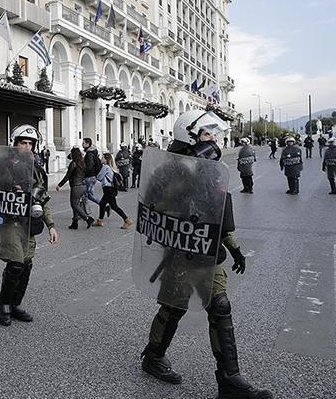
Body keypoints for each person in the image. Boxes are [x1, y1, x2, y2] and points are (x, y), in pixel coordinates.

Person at [140, 110, 272, 399]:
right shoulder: (168, 170)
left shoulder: (211, 172)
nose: (214, 141)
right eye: (206, 135)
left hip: (207, 252)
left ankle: (230, 379)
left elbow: (217, 218)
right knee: (174, 307)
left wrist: (234, 248)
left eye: (214, 135)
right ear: (189, 138)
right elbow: (153, 210)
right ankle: (153, 356)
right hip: (179, 253)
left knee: (220, 307)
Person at [0, 124, 58, 326]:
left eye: (31, 143)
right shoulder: (2, 166)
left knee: (27, 264)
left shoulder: (36, 170)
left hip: (30, 222)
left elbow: (42, 199)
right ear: (15, 144)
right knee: (16, 263)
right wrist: (11, 189)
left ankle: (14, 304)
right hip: (10, 221)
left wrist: (51, 225)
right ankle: (3, 305)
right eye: (23, 143)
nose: (27, 147)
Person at [56, 147, 93, 229]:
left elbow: (68, 176)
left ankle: (87, 219)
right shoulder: (82, 162)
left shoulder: (73, 163)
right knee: (75, 204)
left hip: (76, 186)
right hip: (83, 186)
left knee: (74, 204)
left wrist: (60, 185)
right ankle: (75, 222)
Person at [93, 153, 132, 229]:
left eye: (102, 158)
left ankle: (127, 220)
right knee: (102, 204)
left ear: (106, 159)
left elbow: (99, 177)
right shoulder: (111, 168)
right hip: (110, 189)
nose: (101, 159)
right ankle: (100, 220)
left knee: (114, 206)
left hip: (108, 189)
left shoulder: (106, 167)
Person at [82, 138, 102, 205]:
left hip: (89, 177)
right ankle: (84, 212)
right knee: (86, 194)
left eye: (83, 143)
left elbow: (89, 167)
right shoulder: (92, 152)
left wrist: (83, 171)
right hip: (92, 176)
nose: (82, 144)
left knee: (89, 195)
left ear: (88, 144)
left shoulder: (89, 154)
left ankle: (103, 205)